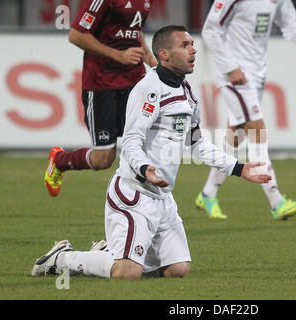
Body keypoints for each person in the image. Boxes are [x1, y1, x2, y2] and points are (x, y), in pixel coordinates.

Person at [31, 25, 272, 279]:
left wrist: (239, 168)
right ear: (164, 55)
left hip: (163, 198)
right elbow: (132, 140)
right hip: (134, 193)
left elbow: (197, 143)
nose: (193, 50)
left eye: (192, 44)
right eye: (185, 45)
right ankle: (62, 258)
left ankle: (109, 253)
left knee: (177, 270)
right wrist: (145, 169)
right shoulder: (148, 89)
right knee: (127, 273)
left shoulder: (188, 92)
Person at [195, 0, 296, 220]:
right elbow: (210, 29)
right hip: (235, 75)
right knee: (257, 129)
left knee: (236, 136)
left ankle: (207, 193)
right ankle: (276, 201)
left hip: (256, 75)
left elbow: (289, 23)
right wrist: (230, 67)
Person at [44, 0, 158, 197]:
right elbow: (77, 35)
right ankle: (60, 160)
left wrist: (148, 56)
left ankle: (141, 201)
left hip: (134, 80)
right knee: (103, 159)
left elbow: (132, 27)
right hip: (102, 85)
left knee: (148, 139)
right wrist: (118, 55)